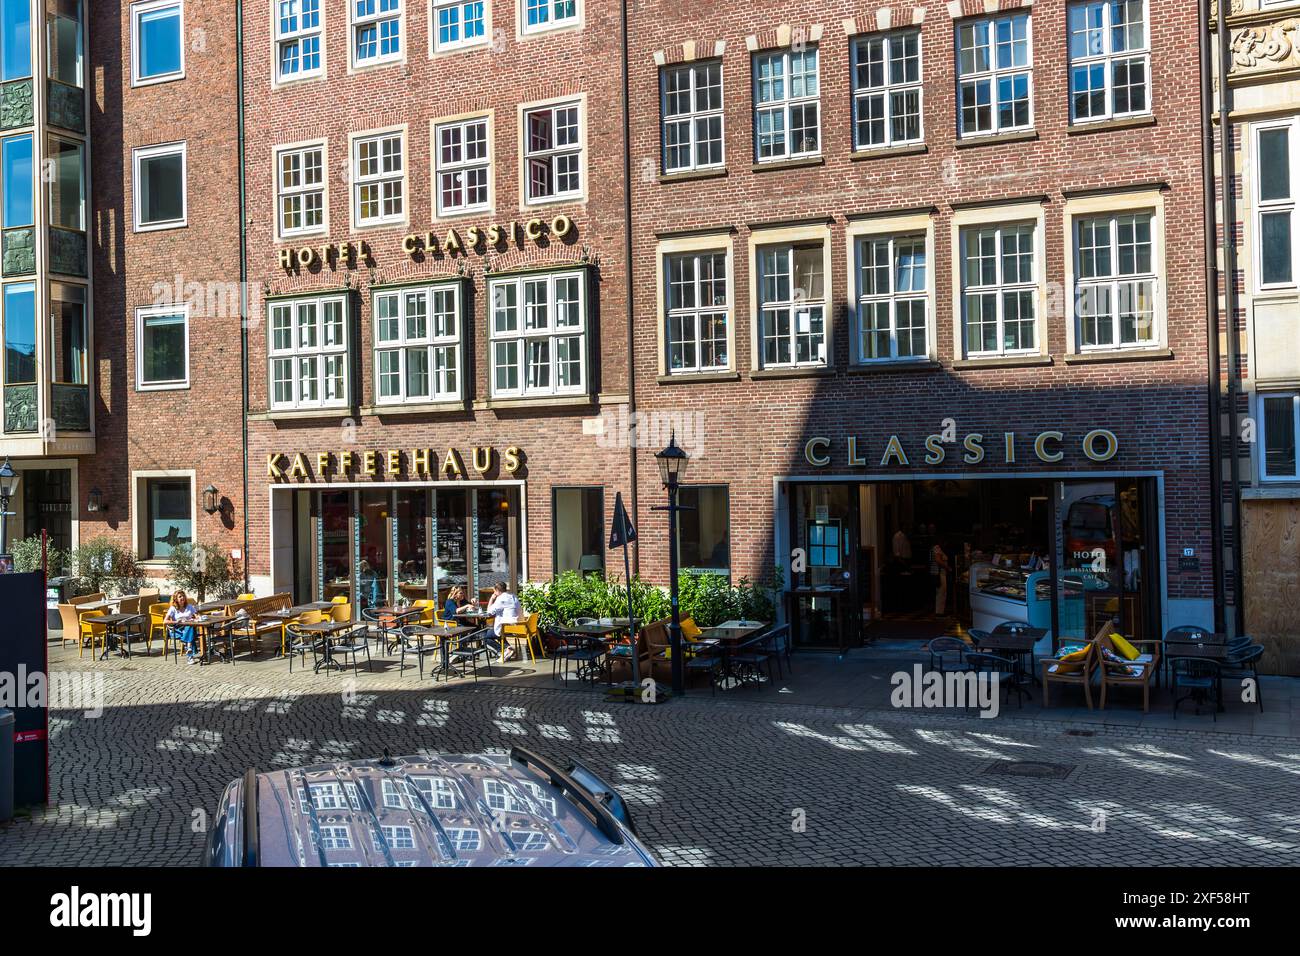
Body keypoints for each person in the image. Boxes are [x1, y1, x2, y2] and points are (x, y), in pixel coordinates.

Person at [484, 582, 523, 661]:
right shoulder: (513, 596)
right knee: (497, 633)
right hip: (518, 626)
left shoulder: (501, 598)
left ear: (496, 590)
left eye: (494, 591)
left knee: (485, 636)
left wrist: (492, 598)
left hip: (507, 627)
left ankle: (505, 650)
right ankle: (508, 648)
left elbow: (489, 611)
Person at [165, 590, 201, 664]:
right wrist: (175, 622)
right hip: (177, 629)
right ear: (176, 599)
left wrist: (195, 618)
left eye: (183, 596)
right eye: (180, 596)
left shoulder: (189, 606)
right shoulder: (173, 608)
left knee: (190, 627)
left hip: (188, 628)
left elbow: (197, 616)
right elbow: (165, 621)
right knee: (191, 630)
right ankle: (189, 650)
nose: (182, 598)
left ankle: (188, 647)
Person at [930, 539, 951, 616]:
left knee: (941, 592)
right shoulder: (937, 548)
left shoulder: (936, 548)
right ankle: (939, 612)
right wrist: (947, 567)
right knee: (941, 592)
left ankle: (940, 611)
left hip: (940, 573)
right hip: (939, 573)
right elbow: (938, 560)